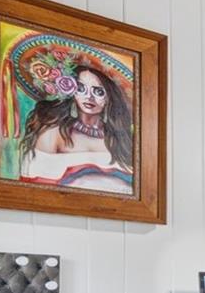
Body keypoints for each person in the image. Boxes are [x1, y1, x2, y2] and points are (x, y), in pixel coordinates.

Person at [18, 58, 134, 194]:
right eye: (81, 89)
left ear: (110, 97)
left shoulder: (121, 139)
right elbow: (35, 187)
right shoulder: (54, 133)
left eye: (99, 92)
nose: (89, 97)